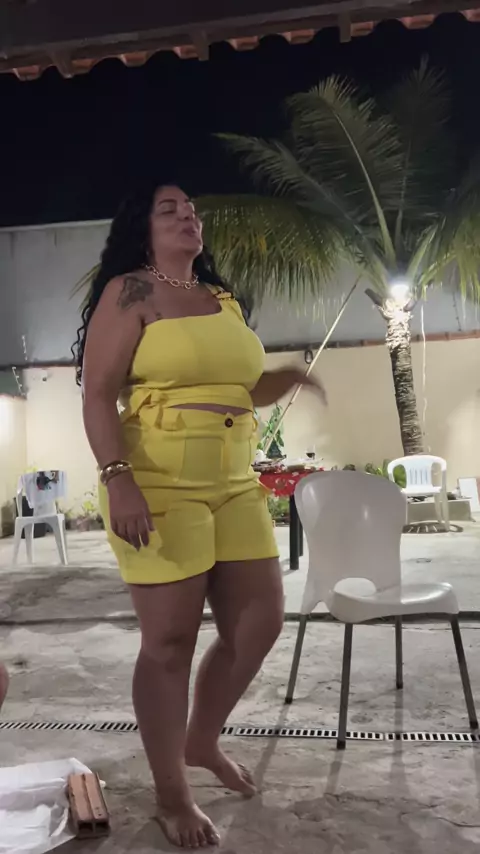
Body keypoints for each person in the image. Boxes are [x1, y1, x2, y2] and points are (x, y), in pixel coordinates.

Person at [74, 181, 325, 849]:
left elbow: (238, 386)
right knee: (169, 643)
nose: (188, 216)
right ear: (144, 227)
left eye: (191, 209)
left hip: (234, 479)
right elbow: (98, 395)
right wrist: (118, 479)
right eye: (170, 209)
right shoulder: (129, 292)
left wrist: (285, 380)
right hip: (158, 480)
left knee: (258, 622)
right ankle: (171, 795)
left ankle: (201, 739)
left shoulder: (222, 299)